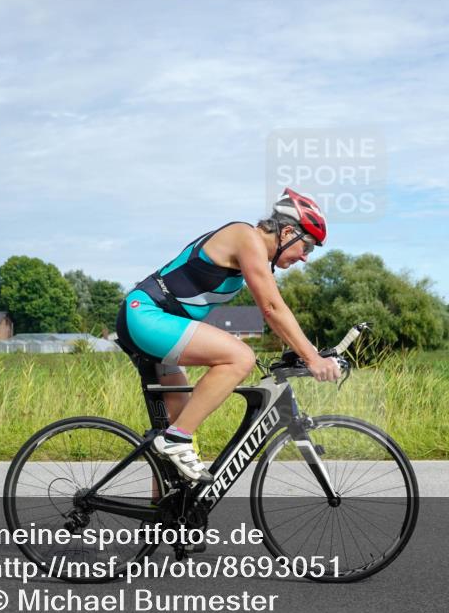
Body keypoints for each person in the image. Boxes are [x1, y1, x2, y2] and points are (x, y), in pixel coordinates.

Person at [115, 188, 342, 483]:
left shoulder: (253, 251)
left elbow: (278, 310)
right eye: (307, 247)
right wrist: (312, 358)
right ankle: (175, 440)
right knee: (239, 357)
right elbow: (272, 308)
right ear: (287, 232)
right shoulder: (245, 237)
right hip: (146, 316)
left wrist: (311, 351)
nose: (305, 258)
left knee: (177, 434)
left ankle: (163, 521)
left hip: (153, 322)